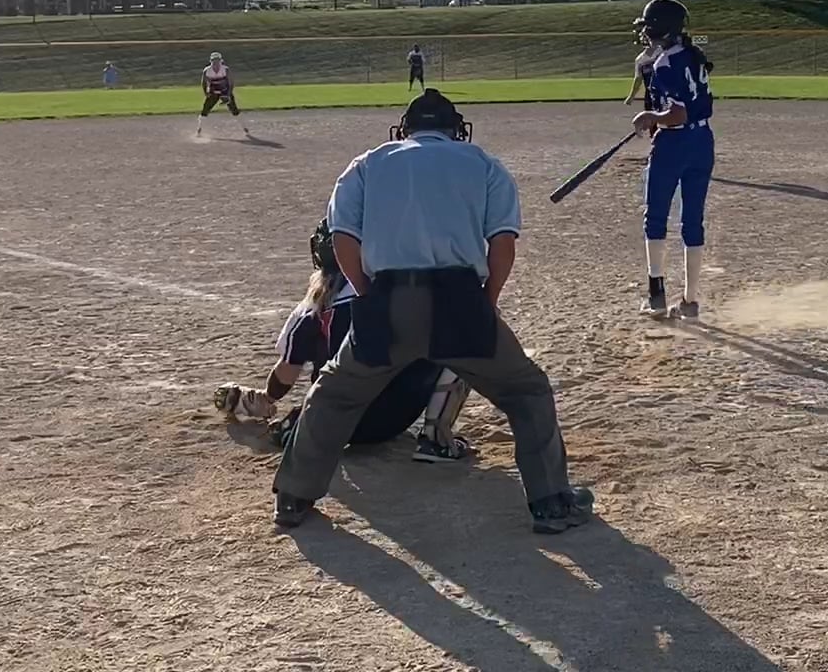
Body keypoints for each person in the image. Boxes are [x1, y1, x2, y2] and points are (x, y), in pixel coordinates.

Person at [271, 89, 594, 534]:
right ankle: (551, 504)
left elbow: (343, 240)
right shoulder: (483, 163)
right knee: (527, 390)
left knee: (333, 394)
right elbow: (502, 245)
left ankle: (293, 496)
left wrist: (368, 294)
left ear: (404, 130)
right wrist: (486, 302)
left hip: (387, 296)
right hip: (459, 296)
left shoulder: (366, 164)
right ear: (454, 129)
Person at [214, 218, 473, 462]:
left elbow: (287, 371)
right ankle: (436, 439)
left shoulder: (312, 308)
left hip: (338, 424)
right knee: (463, 337)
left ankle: (288, 419)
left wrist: (268, 398)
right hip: (399, 414)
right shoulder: (399, 287)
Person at [630, 0, 714, 320]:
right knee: (693, 221)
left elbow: (677, 115)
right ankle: (690, 302)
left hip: (674, 144)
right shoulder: (693, 55)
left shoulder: (664, 62)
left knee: (655, 218)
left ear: (659, 29)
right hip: (702, 141)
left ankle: (656, 297)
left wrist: (650, 117)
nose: (644, 32)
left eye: (648, 26)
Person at [195, 51, 247, 137]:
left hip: (225, 91)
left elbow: (231, 83)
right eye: (214, 60)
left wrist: (228, 94)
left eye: (217, 60)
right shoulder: (207, 70)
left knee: (234, 110)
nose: (215, 63)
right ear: (211, 61)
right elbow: (203, 82)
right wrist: (206, 92)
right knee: (205, 109)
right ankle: (199, 129)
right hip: (213, 92)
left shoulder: (225, 69)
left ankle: (244, 128)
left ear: (220, 61)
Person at [624, 24, 661, 108]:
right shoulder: (640, 59)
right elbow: (638, 79)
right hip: (651, 93)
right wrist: (631, 96)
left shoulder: (663, 51)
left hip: (665, 91)